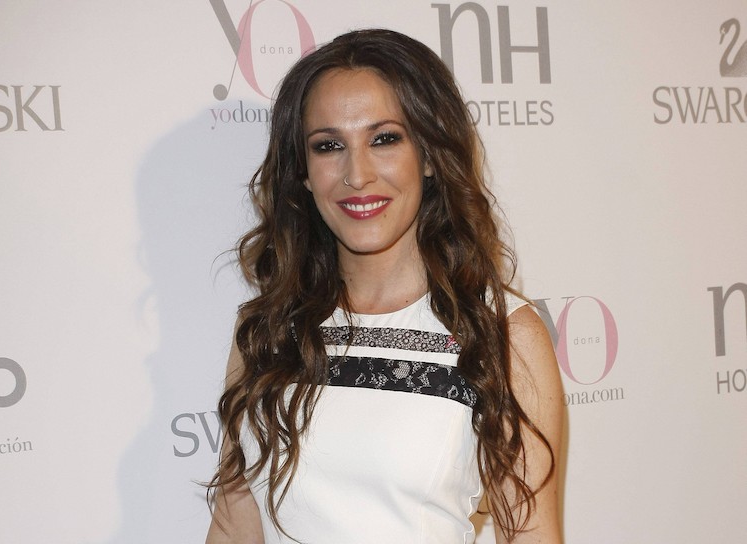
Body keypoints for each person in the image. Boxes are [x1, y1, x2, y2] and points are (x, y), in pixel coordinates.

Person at [206, 29, 563, 544]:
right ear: (303, 172)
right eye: (329, 146)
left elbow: (531, 534)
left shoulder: (502, 333)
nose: (357, 174)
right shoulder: (267, 330)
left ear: (431, 156)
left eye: (384, 139)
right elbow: (233, 525)